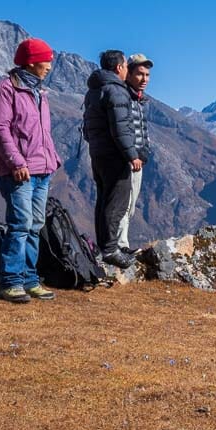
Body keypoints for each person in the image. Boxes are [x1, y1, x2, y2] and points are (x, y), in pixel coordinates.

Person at [0, 38, 63, 303]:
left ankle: (30, 280)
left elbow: (41, 132)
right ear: (31, 62)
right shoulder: (5, 90)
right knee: (19, 225)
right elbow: (0, 130)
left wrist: (53, 158)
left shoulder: (40, 93)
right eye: (46, 60)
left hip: (43, 170)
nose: (49, 66)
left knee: (35, 226)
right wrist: (16, 162)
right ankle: (10, 282)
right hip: (20, 172)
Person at [82, 50, 141, 269]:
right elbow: (121, 128)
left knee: (103, 200)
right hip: (114, 154)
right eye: (126, 65)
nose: (127, 69)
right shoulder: (116, 91)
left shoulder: (93, 91)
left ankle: (104, 246)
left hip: (98, 152)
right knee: (117, 201)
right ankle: (110, 250)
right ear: (118, 68)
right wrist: (131, 154)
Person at [116, 53, 153, 254]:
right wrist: (131, 155)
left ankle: (122, 244)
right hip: (127, 161)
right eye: (140, 74)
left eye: (147, 75)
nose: (144, 79)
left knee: (129, 206)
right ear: (128, 73)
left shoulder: (138, 100)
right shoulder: (123, 98)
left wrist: (143, 152)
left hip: (137, 160)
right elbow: (121, 129)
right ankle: (120, 246)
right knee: (123, 204)